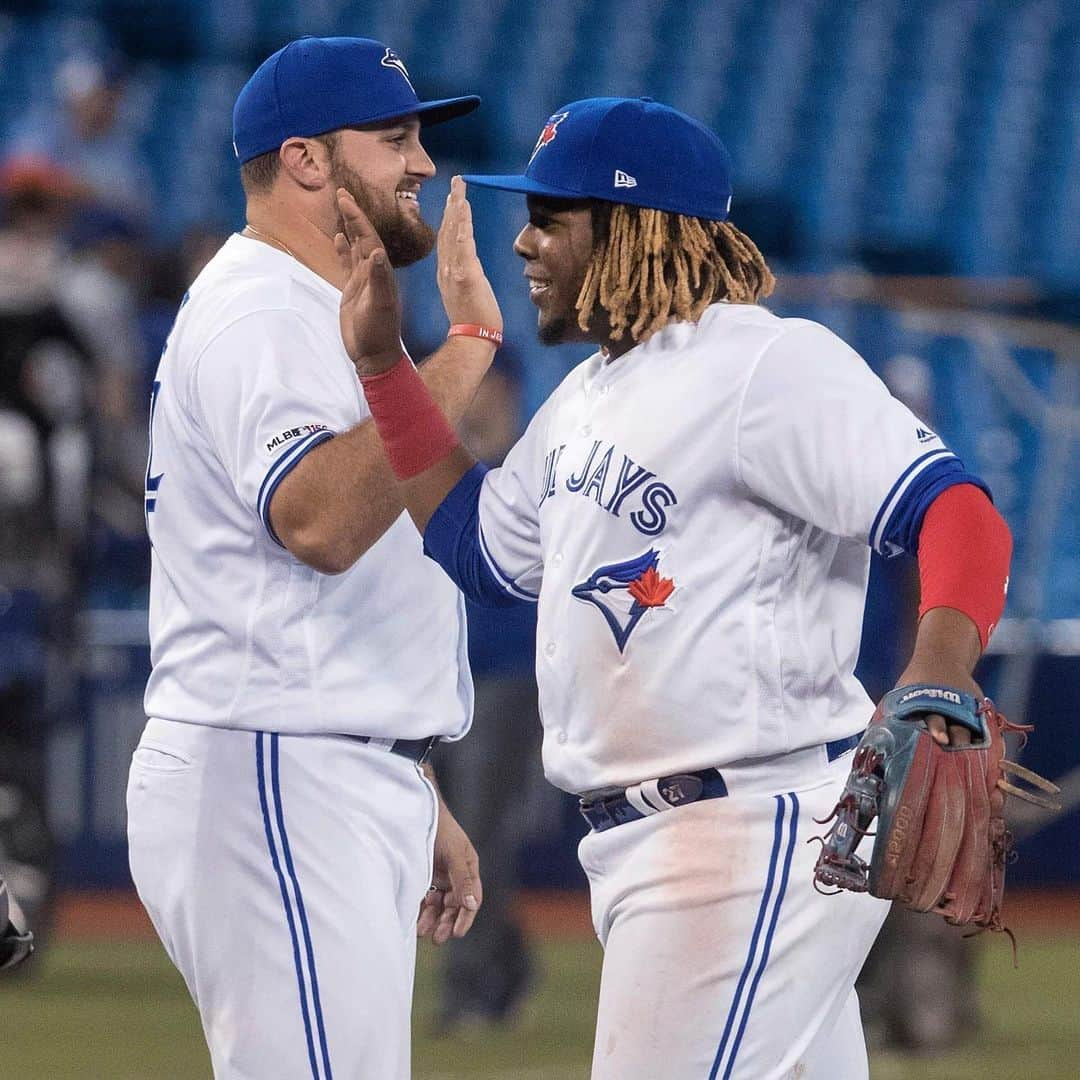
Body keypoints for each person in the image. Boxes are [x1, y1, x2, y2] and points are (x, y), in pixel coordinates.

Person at [335, 97, 1014, 1078]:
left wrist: (938, 672)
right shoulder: (587, 396)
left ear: (633, 227)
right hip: (666, 844)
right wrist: (384, 367)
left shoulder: (765, 365)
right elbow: (477, 548)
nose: (523, 242)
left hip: (745, 838)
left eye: (550, 217)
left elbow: (956, 511)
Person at [125, 37, 504, 1079]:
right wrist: (465, 349)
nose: (421, 162)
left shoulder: (310, 310)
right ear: (304, 161)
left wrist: (407, 781)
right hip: (276, 767)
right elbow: (321, 524)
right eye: (393, 137)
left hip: (309, 758)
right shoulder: (265, 310)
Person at [431, 354, 541, 1031]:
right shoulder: (440, 463)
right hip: (439, 676)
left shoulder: (532, 464)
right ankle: (510, 962)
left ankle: (468, 989)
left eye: (486, 384)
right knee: (446, 835)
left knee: (478, 832)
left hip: (505, 673)